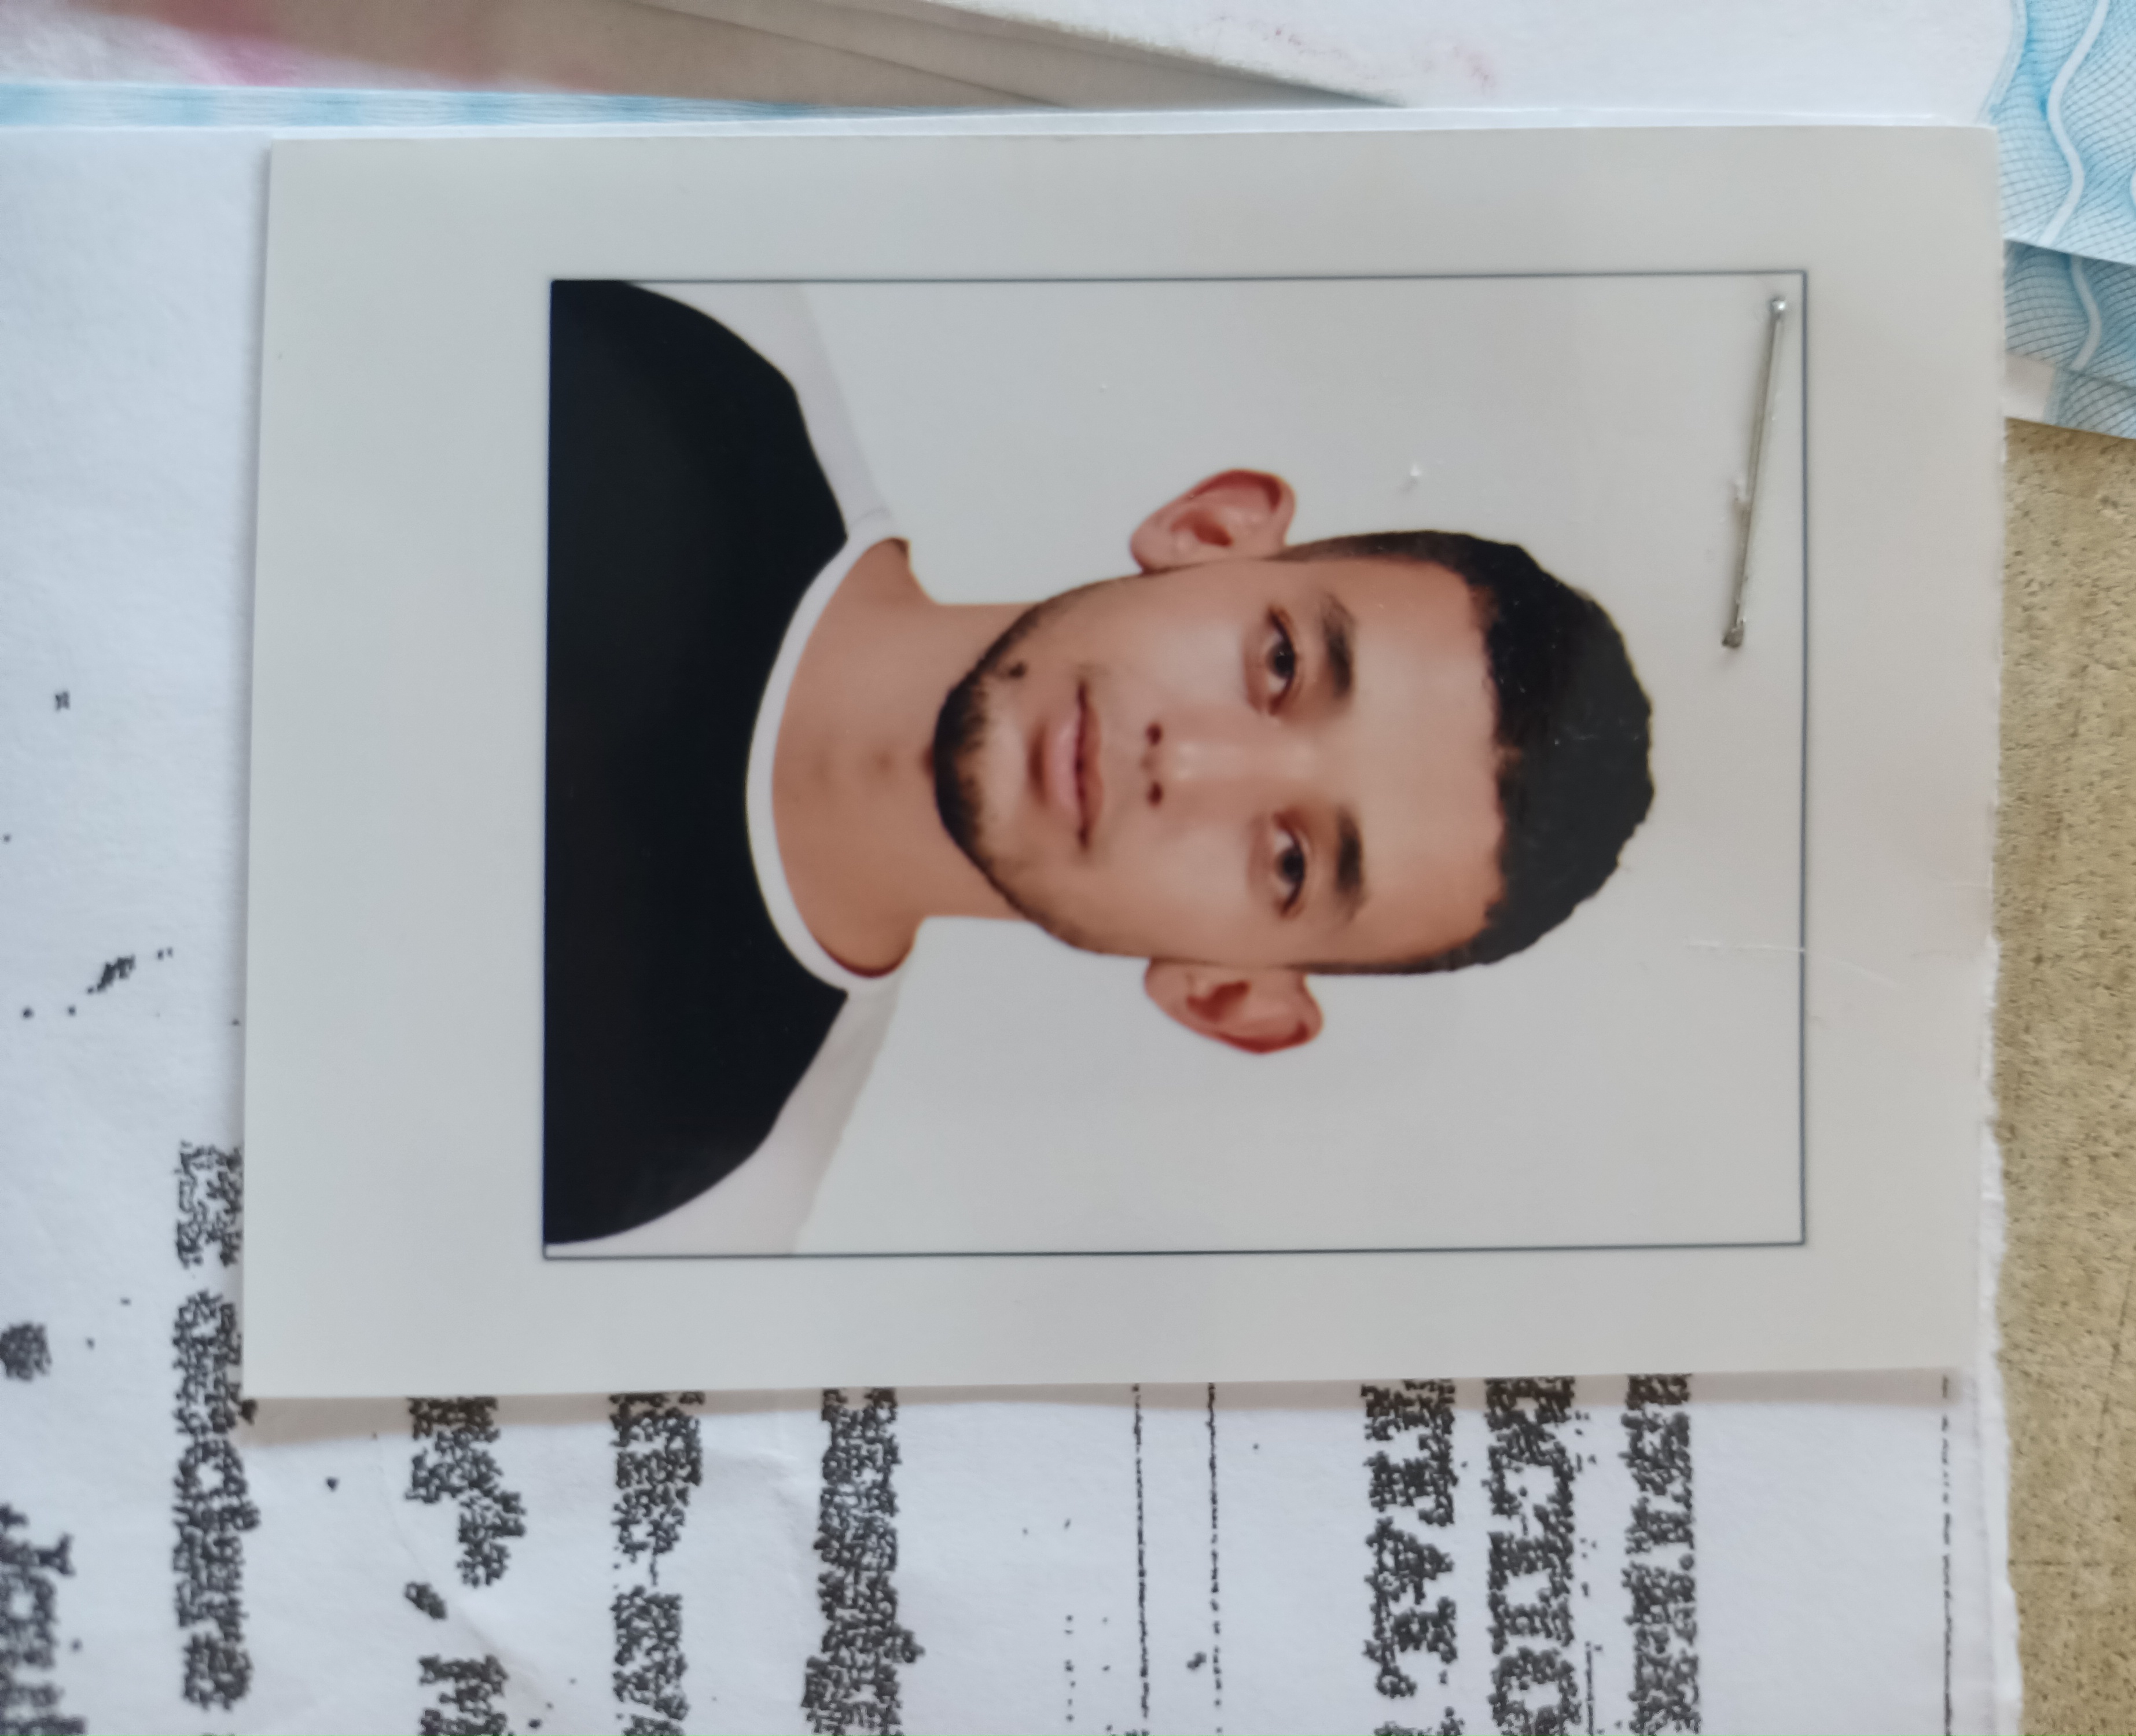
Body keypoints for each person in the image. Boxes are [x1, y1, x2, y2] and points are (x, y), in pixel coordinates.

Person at [543, 279, 1653, 1255]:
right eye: (1281, 663)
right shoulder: (667, 301)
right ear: (1211, 529)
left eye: (1291, 860)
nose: (1193, 763)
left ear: (1227, 995)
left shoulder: (670, 1230)